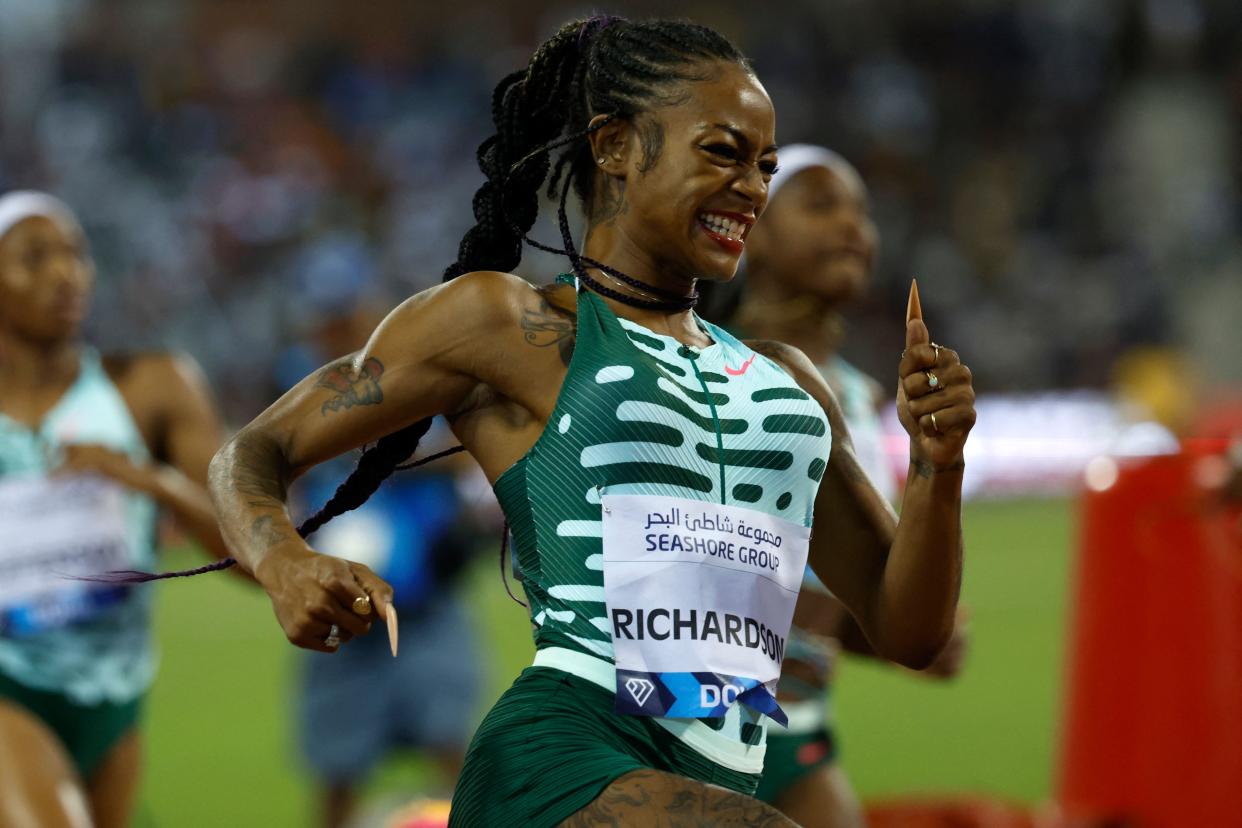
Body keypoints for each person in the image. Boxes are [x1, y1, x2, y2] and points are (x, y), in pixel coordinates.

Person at [204, 16, 976, 827]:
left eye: (765, 165)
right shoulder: (508, 326)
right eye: (722, 152)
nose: (752, 186)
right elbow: (252, 451)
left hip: (713, 775)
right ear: (614, 146)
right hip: (559, 764)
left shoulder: (789, 387)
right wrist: (283, 561)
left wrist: (937, 466)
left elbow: (908, 631)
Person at [727, 145, 969, 827]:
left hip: (796, 734)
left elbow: (843, 591)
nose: (853, 227)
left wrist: (916, 628)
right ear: (754, 231)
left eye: (862, 212)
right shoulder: (704, 364)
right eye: (821, 203)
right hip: (683, 735)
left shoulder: (863, 399)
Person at [0, 191, 230, 828]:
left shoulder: (150, 387)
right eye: (33, 257)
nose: (63, 272)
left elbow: (249, 551)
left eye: (75, 253)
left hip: (115, 697)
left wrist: (148, 479)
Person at [276, 286, 485, 828]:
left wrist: (392, 451)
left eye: (345, 316)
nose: (338, 329)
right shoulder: (300, 387)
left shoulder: (415, 374)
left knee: (454, 759)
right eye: (327, 321)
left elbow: (466, 459)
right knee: (339, 774)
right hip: (345, 621)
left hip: (426, 606)